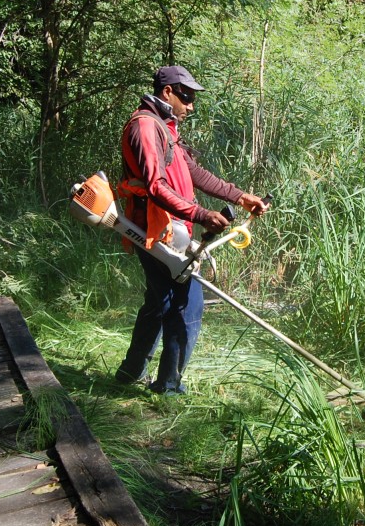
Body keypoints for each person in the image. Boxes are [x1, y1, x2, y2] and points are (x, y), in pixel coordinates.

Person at [114, 65, 267, 395]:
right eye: (187, 96)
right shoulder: (144, 127)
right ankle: (168, 389)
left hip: (169, 227)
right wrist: (201, 214)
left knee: (160, 301)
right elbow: (156, 187)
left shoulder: (164, 128)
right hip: (155, 229)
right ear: (167, 92)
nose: (191, 105)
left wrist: (240, 197)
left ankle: (130, 374)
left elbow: (193, 173)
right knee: (187, 304)